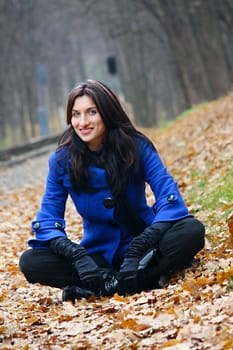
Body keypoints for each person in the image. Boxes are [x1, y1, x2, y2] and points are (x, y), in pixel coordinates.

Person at [19, 79, 205, 303]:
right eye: (76, 114)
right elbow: (48, 220)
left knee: (191, 230)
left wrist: (141, 244)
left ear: (107, 112)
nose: (83, 122)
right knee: (31, 262)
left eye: (92, 112)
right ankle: (138, 280)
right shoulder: (62, 161)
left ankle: (106, 286)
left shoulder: (136, 146)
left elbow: (168, 196)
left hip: (145, 246)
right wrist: (77, 256)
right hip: (98, 256)